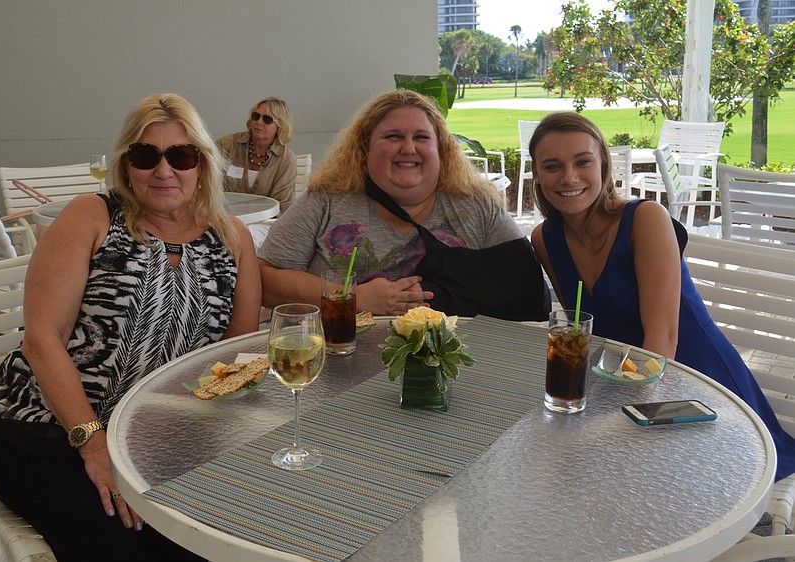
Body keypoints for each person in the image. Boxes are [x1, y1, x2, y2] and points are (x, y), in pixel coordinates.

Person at [0, 93, 262, 561]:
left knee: (217, 542)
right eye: (146, 155)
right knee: (122, 545)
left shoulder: (232, 237)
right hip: (50, 433)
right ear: (127, 164)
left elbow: (237, 358)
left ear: (204, 165)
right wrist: (93, 444)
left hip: (160, 441)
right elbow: (41, 340)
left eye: (182, 155)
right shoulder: (92, 216)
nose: (163, 170)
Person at [528, 110, 795, 481]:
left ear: (603, 165)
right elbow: (586, 326)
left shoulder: (645, 218)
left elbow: (662, 339)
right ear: (537, 175)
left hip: (692, 379)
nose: (569, 177)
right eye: (552, 166)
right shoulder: (544, 239)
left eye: (582, 161)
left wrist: (630, 423)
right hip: (622, 379)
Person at [258, 89, 535, 317]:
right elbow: (265, 279)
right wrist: (353, 297)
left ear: (441, 149)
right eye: (393, 137)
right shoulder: (327, 200)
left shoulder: (478, 206)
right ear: (365, 148)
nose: (408, 148)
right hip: (336, 358)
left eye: (422, 137)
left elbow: (525, 289)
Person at [216, 96, 297, 214]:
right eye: (256, 116)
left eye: (267, 119)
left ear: (280, 126)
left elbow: (283, 205)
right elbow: (204, 172)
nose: (259, 122)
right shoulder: (229, 144)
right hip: (225, 217)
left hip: (265, 222)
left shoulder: (286, 160)